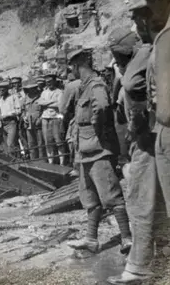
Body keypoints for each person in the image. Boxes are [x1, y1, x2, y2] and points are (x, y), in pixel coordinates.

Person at [108, 0, 170, 284]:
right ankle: (150, 266)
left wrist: (139, 119)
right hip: (154, 135)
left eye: (142, 17)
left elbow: (134, 88)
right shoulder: (156, 43)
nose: (140, 24)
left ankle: (145, 268)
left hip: (152, 135)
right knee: (152, 204)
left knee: (147, 202)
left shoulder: (155, 45)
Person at [64, 48, 132, 257]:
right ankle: (91, 240)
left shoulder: (96, 85)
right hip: (85, 151)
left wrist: (95, 127)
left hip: (98, 149)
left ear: (77, 66)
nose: (72, 72)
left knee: (111, 196)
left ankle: (127, 237)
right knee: (90, 198)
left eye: (72, 68)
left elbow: (102, 107)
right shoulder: (84, 88)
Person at [38, 72, 66, 165]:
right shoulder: (44, 92)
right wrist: (52, 102)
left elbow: (59, 105)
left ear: (54, 81)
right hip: (45, 118)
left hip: (55, 118)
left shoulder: (59, 92)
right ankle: (51, 163)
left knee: (59, 141)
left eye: (50, 81)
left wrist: (46, 103)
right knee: (47, 142)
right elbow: (40, 103)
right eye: (46, 82)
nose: (48, 83)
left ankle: (62, 163)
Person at [0, 81, 21, 156]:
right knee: (5, 145)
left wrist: (8, 115)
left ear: (7, 89)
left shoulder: (13, 97)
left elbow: (18, 111)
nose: (1, 92)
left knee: (11, 144)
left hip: (11, 122)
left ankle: (18, 160)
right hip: (2, 124)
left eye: (3, 90)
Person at [21, 81, 43, 160]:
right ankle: (34, 162)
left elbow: (44, 110)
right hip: (28, 125)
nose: (31, 90)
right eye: (29, 89)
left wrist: (40, 119)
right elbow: (23, 110)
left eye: (32, 88)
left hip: (39, 124)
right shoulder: (25, 99)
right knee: (31, 144)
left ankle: (43, 163)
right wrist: (24, 117)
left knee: (40, 144)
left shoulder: (41, 96)